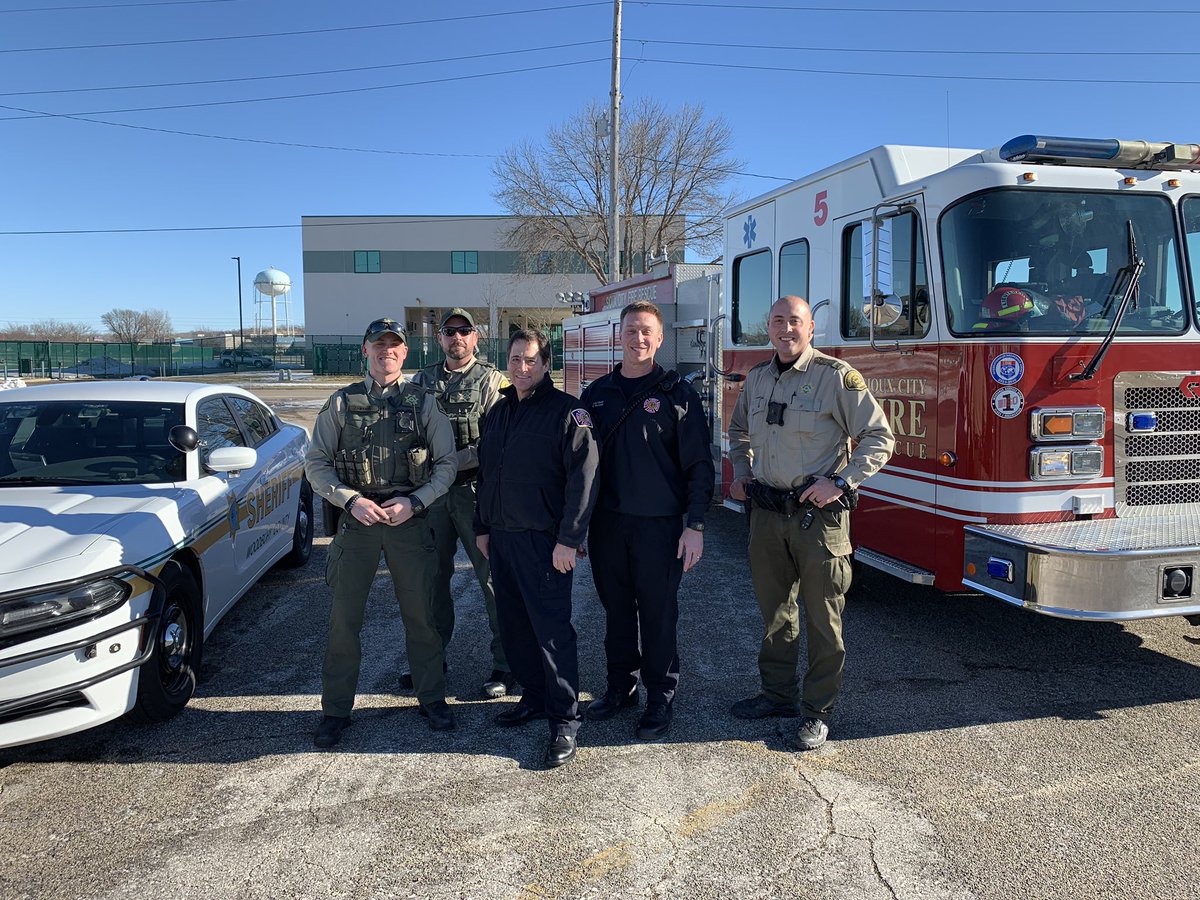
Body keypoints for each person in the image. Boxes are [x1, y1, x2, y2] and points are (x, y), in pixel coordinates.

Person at [728, 296, 894, 751]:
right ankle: (777, 695)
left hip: (817, 520)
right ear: (769, 326)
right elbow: (738, 430)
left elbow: (880, 436)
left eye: (794, 321)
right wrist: (742, 473)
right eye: (778, 321)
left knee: (824, 619)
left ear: (812, 328)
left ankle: (817, 711)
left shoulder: (836, 378)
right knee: (775, 613)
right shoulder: (759, 379)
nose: (786, 329)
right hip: (766, 514)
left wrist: (840, 481)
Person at [305, 317, 458, 748]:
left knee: (422, 617)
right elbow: (316, 463)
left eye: (395, 345)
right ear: (365, 350)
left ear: (405, 352)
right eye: (378, 344)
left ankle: (431, 698)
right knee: (343, 621)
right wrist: (350, 500)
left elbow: (446, 464)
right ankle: (336, 710)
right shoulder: (340, 403)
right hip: (359, 519)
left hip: (408, 519)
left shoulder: (424, 403)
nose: (386, 351)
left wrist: (417, 501)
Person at [580, 300, 714, 741]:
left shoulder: (678, 394)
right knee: (616, 611)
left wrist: (694, 526)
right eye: (631, 330)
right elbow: (578, 466)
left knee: (657, 615)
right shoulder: (596, 393)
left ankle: (661, 696)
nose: (638, 339)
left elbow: (699, 465)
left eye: (647, 332)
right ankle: (621, 688)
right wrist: (575, 526)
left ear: (659, 339)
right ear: (619, 336)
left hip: (659, 527)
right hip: (607, 526)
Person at [473, 329, 600, 769]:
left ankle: (565, 718)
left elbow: (584, 482)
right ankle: (533, 695)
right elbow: (487, 475)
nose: (521, 368)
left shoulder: (569, 414)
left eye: (530, 360)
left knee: (551, 632)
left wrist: (570, 539)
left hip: (546, 544)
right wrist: (481, 527)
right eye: (514, 360)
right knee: (516, 627)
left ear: (546, 363)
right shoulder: (499, 411)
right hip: (502, 538)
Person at [410, 308, 515, 699]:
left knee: (492, 581)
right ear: (439, 338)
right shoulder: (421, 381)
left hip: (475, 493)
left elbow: (495, 440)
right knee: (431, 581)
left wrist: (449, 462)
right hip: (431, 496)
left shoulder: (491, 380)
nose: (457, 338)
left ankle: (506, 665)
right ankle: (431, 661)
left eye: (464, 331)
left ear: (476, 338)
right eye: (449, 331)